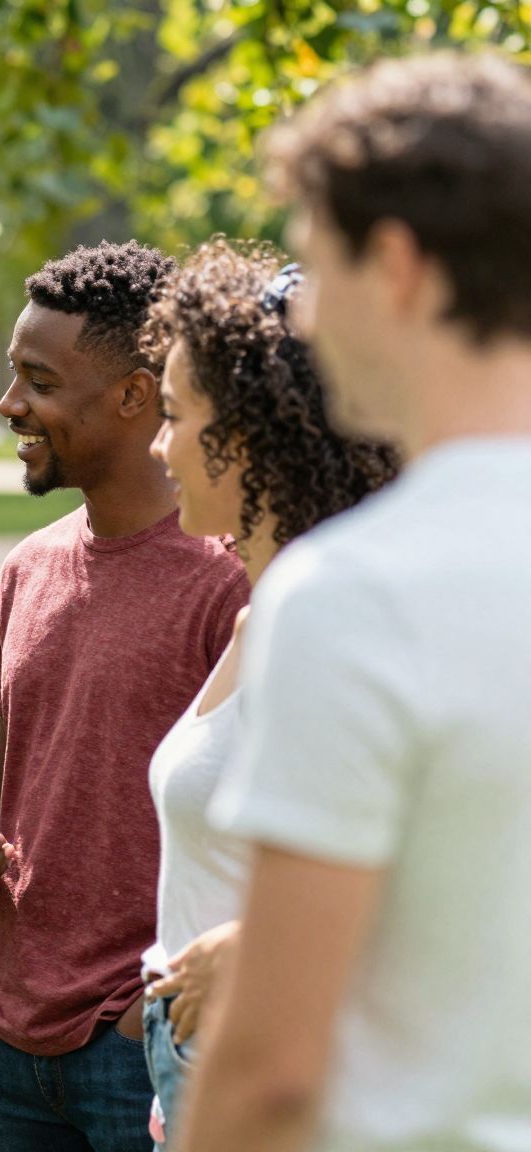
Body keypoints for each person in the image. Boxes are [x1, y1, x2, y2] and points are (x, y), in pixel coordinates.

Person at [180, 55, 531, 1152]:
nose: (303, 320)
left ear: (397, 266)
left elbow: (273, 1071)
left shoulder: (351, 595)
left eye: (319, 269)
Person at [0, 242, 250, 1152]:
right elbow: (23, 785)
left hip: (137, 1037)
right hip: (1, 1032)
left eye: (39, 380)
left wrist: (136, 1015)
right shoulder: (27, 568)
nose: (9, 405)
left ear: (134, 395)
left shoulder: (231, 581)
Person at [133, 239, 397, 1144]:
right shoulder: (263, 615)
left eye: (173, 415)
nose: (157, 445)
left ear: (249, 434)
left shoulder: (350, 623)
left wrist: (250, 951)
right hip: (197, 1071)